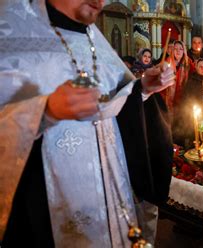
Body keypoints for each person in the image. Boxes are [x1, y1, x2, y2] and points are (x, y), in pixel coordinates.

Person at [0, 0, 176, 246]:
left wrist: (144, 88)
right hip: (46, 215)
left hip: (113, 201)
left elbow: (117, 103)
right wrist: (45, 110)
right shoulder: (10, 29)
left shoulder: (94, 38)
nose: (100, 1)